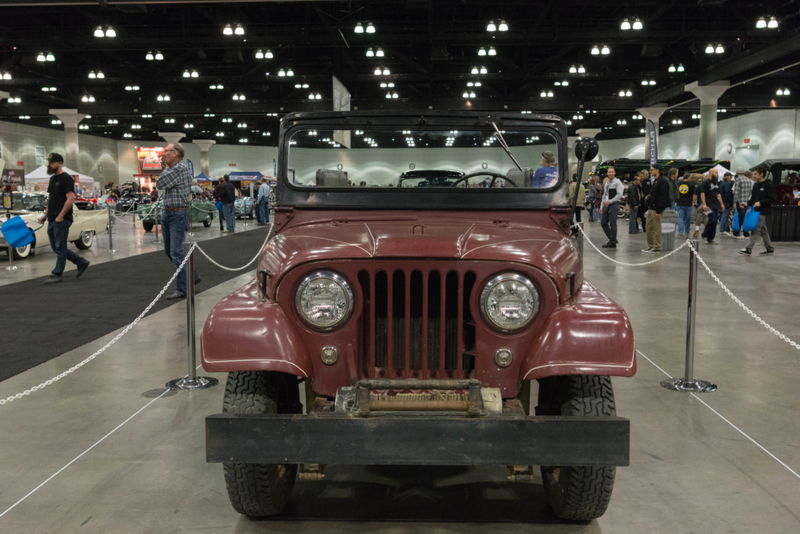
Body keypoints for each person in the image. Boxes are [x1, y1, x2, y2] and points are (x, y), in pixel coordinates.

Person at [37, 153, 91, 284]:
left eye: (51, 162)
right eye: (49, 161)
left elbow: (70, 199)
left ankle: (57, 273)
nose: (49, 164)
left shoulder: (66, 178)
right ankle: (81, 262)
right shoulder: (52, 179)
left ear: (59, 163)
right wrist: (45, 215)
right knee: (56, 247)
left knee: (60, 246)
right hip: (52, 218)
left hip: (62, 219)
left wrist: (61, 216)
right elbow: (52, 200)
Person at [157, 143, 200, 300]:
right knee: (169, 251)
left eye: (167, 151)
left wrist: (164, 173)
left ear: (175, 153)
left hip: (178, 213)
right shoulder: (170, 169)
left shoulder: (179, 169)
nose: (164, 154)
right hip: (167, 213)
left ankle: (183, 288)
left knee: (176, 252)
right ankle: (192, 275)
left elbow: (160, 183)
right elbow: (161, 182)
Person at [739, 166, 776, 256]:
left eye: (755, 174)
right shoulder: (755, 185)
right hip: (755, 211)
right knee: (763, 230)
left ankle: (748, 248)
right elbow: (753, 198)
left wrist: (761, 202)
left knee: (755, 228)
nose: (754, 176)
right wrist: (747, 203)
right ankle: (769, 248)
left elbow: (772, 199)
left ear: (761, 174)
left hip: (763, 211)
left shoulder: (768, 185)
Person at [643, 163, 670, 253]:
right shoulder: (656, 180)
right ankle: (651, 246)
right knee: (648, 227)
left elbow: (663, 196)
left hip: (657, 209)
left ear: (658, 170)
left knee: (656, 228)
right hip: (651, 207)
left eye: (652, 170)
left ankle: (656, 247)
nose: (651, 172)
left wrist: (659, 210)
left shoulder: (663, 180)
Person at [695, 169, 724, 244]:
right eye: (716, 172)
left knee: (715, 222)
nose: (717, 174)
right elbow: (702, 193)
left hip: (715, 205)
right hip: (708, 204)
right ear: (711, 173)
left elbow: (718, 194)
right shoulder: (706, 183)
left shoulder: (716, 183)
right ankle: (704, 234)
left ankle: (710, 238)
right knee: (712, 220)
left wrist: (722, 203)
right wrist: (704, 204)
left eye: (717, 172)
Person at [599, 167, 623, 248]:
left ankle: (612, 242)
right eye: (609, 172)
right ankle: (613, 239)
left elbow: (619, 194)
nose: (611, 173)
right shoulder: (607, 184)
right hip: (606, 205)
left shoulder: (618, 182)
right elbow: (604, 195)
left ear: (614, 173)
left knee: (613, 223)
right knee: (603, 223)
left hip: (614, 204)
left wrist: (610, 201)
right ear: (607, 173)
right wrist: (601, 206)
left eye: (612, 172)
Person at [732, 169, 754, 238]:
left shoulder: (738, 180)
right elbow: (752, 192)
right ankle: (746, 232)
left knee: (739, 216)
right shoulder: (751, 181)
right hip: (749, 201)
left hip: (740, 201)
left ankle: (738, 232)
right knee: (746, 216)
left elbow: (735, 192)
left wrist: (734, 202)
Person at [718, 172, 734, 236]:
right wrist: (731, 202)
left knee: (725, 215)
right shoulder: (727, 184)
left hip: (723, 201)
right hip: (726, 202)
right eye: (730, 177)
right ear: (728, 177)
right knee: (725, 216)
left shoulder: (721, 183)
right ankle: (723, 229)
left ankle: (725, 229)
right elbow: (728, 193)